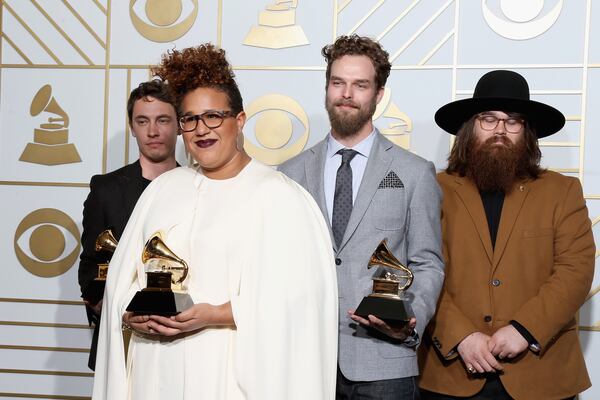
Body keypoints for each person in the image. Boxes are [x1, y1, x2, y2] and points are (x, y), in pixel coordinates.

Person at [92, 43, 338, 400]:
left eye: (213, 116)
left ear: (239, 120)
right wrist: (131, 314)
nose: (201, 129)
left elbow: (301, 301)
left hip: (224, 371)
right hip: (154, 371)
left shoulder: (280, 196)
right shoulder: (162, 190)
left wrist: (216, 314)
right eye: (190, 118)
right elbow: (121, 280)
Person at [279, 34, 444, 399]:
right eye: (338, 83)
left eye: (360, 85)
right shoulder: (289, 173)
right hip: (305, 360)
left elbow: (427, 262)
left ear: (379, 94)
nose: (347, 94)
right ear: (326, 88)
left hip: (385, 361)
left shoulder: (414, 173)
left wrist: (408, 319)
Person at [418, 70, 595, 400]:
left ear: (527, 132)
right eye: (489, 119)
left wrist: (525, 329)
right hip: (449, 374)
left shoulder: (563, 191)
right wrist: (460, 336)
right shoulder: (433, 188)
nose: (500, 129)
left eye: (513, 121)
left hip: (541, 376)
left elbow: (576, 271)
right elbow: (420, 269)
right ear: (471, 127)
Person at [78, 79, 179, 370]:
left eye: (163, 120)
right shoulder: (105, 190)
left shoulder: (199, 187)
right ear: (133, 127)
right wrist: (122, 313)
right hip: (121, 340)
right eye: (142, 121)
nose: (153, 131)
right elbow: (90, 271)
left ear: (179, 125)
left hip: (182, 339)